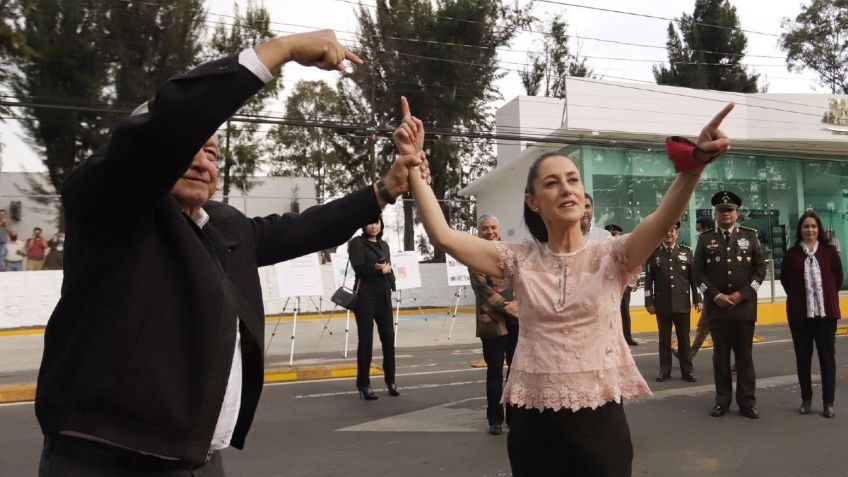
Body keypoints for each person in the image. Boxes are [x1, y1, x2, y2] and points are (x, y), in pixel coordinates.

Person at [35, 30, 430, 476]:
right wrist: (282, 50)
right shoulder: (109, 203)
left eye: (212, 152)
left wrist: (386, 188)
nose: (204, 161)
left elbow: (303, 229)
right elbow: (171, 123)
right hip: (107, 460)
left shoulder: (224, 226)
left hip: (198, 459)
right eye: (191, 148)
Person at [402, 94, 734, 475]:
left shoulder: (613, 255)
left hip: (599, 423)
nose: (566, 188)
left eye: (573, 180)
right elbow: (443, 236)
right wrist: (414, 165)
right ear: (533, 202)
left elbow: (660, 221)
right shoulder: (518, 258)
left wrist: (692, 169)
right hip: (533, 423)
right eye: (552, 183)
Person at [693, 191, 766, 419]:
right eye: (721, 210)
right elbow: (697, 273)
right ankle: (722, 401)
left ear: (737, 213)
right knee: (721, 359)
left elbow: (760, 270)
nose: (726, 214)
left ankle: (747, 402)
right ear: (715, 214)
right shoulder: (705, 239)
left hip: (743, 309)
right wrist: (714, 296)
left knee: (744, 359)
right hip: (717, 310)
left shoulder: (750, 236)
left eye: (730, 210)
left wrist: (741, 295)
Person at [779, 211, 843, 418]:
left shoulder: (829, 252)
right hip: (800, 317)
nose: (810, 230)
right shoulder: (791, 255)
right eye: (806, 226)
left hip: (825, 316)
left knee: (827, 359)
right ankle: (806, 399)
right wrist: (802, 299)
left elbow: (837, 279)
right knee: (803, 359)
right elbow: (786, 281)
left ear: (819, 229)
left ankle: (828, 402)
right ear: (800, 230)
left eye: (814, 226)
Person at [469, 214, 519, 435]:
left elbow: (521, 281)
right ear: (478, 232)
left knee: (516, 371)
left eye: (493, 227)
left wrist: (517, 304)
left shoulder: (510, 253)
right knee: (495, 372)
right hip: (491, 323)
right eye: (484, 228)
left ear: (499, 230)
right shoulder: (474, 256)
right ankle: (495, 419)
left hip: (516, 321)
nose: (489, 231)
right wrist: (507, 306)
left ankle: (515, 417)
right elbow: (482, 289)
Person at [347, 216, 398, 400]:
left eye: (377, 222)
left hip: (383, 295)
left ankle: (391, 381)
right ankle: (364, 384)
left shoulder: (384, 245)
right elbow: (359, 269)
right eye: (370, 223)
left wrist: (388, 275)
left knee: (388, 339)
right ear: (364, 225)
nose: (374, 226)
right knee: (366, 341)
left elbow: (388, 268)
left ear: (381, 224)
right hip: (364, 297)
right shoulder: (356, 243)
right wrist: (378, 270)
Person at [645, 221, 702, 382]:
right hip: (662, 305)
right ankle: (665, 371)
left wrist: (698, 299)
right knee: (664, 340)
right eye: (666, 231)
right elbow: (649, 281)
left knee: (684, 340)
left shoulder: (686, 253)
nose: (669, 234)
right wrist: (648, 301)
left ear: (676, 233)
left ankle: (687, 371)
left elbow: (694, 280)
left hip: (682, 304)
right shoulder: (654, 254)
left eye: (672, 231)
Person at [606, 224, 639, 346]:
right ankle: (611, 337)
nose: (615, 237)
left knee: (625, 312)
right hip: (609, 287)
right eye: (613, 234)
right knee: (609, 313)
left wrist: (635, 281)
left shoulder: (624, 249)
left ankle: (627, 337)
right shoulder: (604, 250)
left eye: (617, 235)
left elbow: (633, 264)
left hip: (625, 287)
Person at [690, 216, 717, 358]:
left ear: (706, 229)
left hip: (721, 294)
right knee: (704, 325)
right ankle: (691, 352)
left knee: (724, 330)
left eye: (699, 230)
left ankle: (738, 361)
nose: (698, 234)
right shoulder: (702, 244)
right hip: (709, 293)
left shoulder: (717, 244)